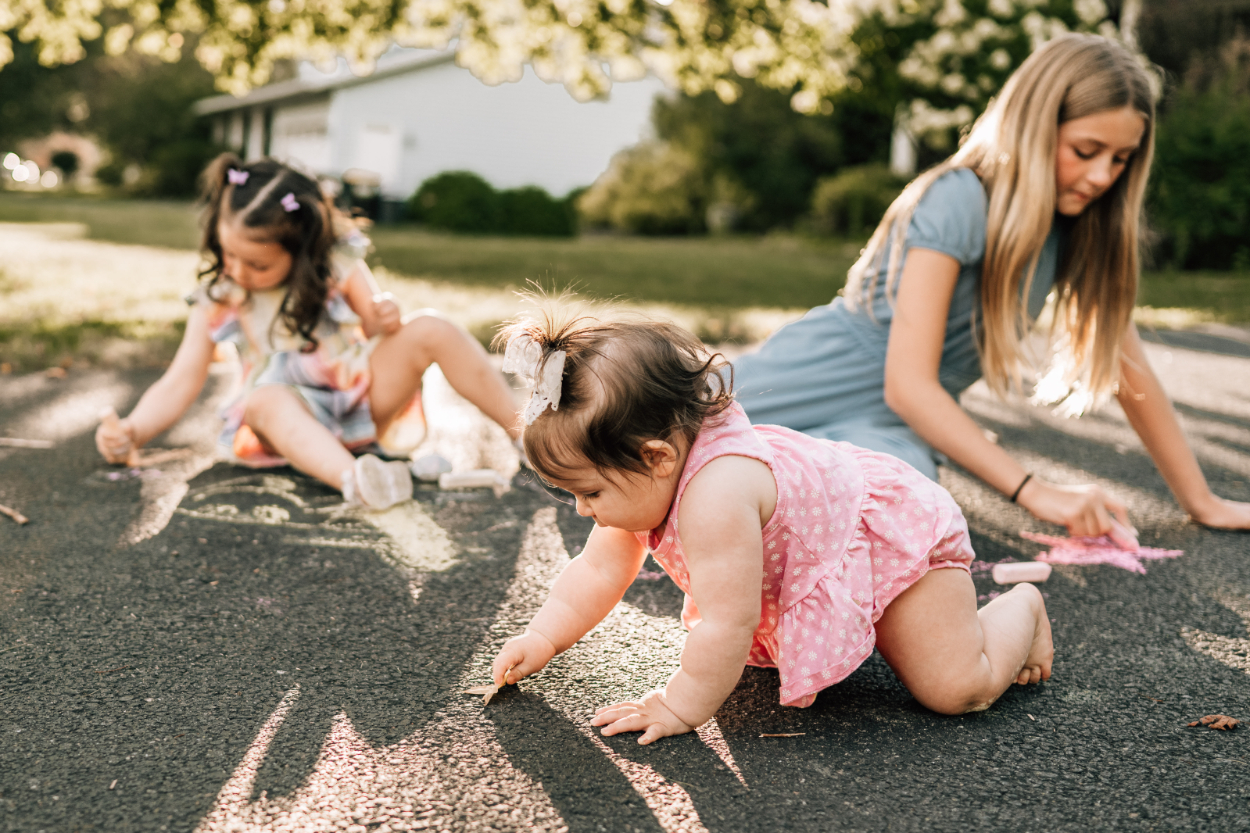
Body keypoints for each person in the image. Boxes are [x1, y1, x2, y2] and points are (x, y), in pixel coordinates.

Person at [733, 33, 1250, 536]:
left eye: (1119, 159)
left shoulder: (1076, 230)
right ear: (1035, 127)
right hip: (806, 377)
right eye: (1086, 150)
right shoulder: (960, 197)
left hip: (897, 426)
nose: (1101, 176)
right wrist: (1033, 489)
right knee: (661, 439)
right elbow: (908, 385)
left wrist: (1201, 502)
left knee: (891, 519)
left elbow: (1129, 370)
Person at [489, 315, 1053, 744]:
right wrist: (542, 638)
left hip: (888, 536)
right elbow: (595, 571)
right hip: (827, 533)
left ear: (657, 456)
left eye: (590, 491)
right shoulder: (645, 481)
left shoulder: (715, 496)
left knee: (955, 688)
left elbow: (727, 621)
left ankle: (1020, 610)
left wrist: (681, 705)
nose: (583, 510)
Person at [95, 154, 522, 509]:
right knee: (262, 400)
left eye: (258, 264)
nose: (239, 271)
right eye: (228, 254)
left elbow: (377, 325)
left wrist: (387, 314)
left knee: (433, 327)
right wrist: (134, 430)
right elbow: (180, 380)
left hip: (358, 397)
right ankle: (357, 480)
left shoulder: (336, 265)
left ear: (303, 250)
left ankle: (527, 436)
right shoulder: (220, 295)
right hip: (288, 419)